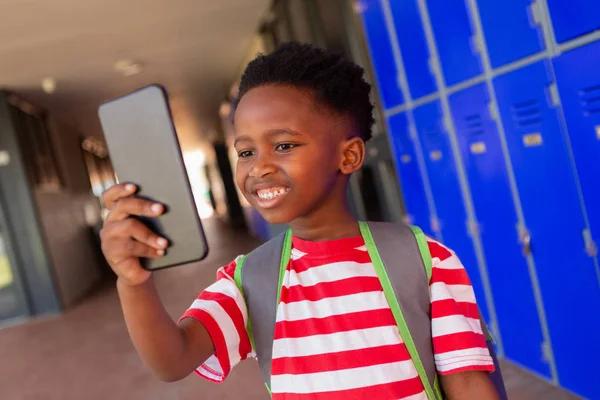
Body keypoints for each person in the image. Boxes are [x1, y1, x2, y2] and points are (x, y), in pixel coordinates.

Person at [100, 42, 499, 399]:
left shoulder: (426, 261)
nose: (259, 168)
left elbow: (466, 382)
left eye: (284, 145)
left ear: (349, 156)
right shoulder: (250, 281)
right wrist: (133, 283)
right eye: (245, 152)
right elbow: (173, 360)